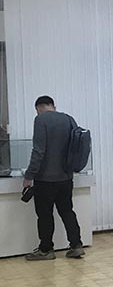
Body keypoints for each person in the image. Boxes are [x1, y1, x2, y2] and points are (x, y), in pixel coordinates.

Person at [23, 96, 84, 260]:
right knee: (67, 211)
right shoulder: (69, 119)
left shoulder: (40, 120)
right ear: (53, 106)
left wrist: (29, 175)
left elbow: (38, 151)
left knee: (44, 214)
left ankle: (46, 250)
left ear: (38, 108)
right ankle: (76, 245)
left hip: (45, 179)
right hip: (66, 177)